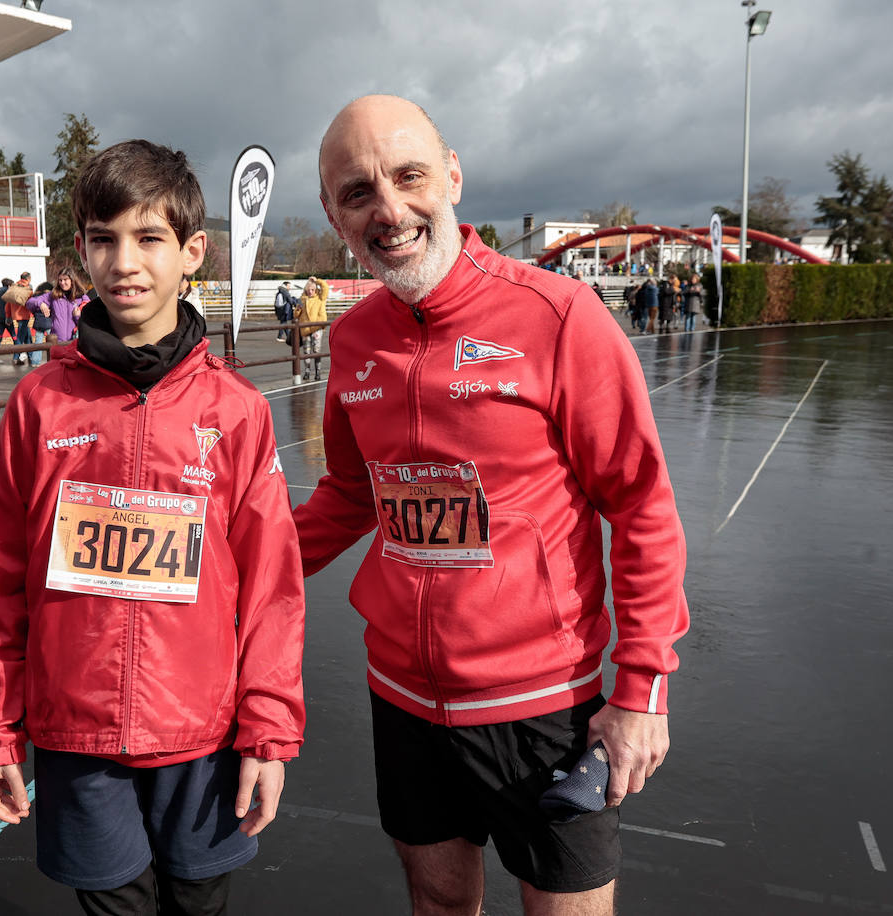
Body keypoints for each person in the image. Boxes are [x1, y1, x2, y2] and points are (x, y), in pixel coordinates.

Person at [293, 95, 688, 915]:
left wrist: (640, 688)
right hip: (401, 698)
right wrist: (225, 563)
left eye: (409, 177)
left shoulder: (558, 316)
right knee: (437, 901)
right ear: (333, 214)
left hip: (544, 705)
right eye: (359, 192)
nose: (390, 209)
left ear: (454, 178)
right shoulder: (355, 338)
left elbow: (642, 506)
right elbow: (349, 494)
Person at [0, 139, 305, 916]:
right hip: (78, 737)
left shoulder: (237, 412)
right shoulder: (39, 404)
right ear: (79, 251)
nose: (126, 262)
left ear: (192, 254)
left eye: (149, 239)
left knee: (198, 905)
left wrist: (268, 732)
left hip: (204, 734)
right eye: (104, 239)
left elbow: (274, 590)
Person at [29, 267, 88, 346]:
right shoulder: (53, 295)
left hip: (75, 343)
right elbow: (29, 302)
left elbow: (88, 322)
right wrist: (41, 304)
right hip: (57, 342)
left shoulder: (82, 297)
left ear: (72, 280)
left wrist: (78, 316)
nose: (62, 283)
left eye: (65, 279)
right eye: (60, 280)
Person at [295, 276, 329, 381]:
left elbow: (325, 287)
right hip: (305, 328)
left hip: (317, 327)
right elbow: (296, 315)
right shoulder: (302, 299)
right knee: (306, 351)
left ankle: (318, 372)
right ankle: (307, 371)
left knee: (316, 350)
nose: (310, 291)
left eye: (312, 289)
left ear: (315, 289)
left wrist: (316, 280)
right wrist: (297, 310)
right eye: (308, 290)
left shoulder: (320, 298)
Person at [3, 272, 35, 365]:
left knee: (27, 337)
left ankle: (31, 356)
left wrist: (8, 316)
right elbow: (32, 303)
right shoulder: (28, 289)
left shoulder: (13, 288)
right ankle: (16, 358)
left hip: (15, 315)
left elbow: (8, 304)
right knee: (20, 338)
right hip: (25, 316)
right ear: (28, 279)